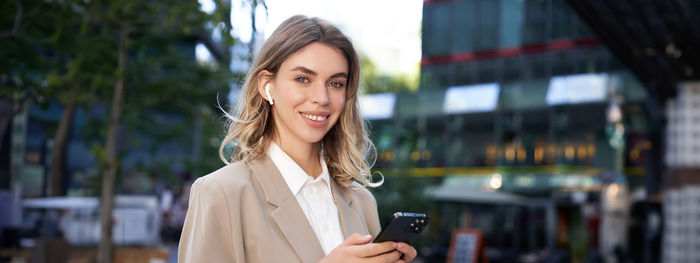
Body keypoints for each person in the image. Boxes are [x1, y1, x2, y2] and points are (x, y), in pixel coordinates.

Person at [178, 15, 417, 263]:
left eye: (335, 83)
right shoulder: (221, 192)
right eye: (303, 79)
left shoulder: (362, 201)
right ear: (266, 85)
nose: (322, 97)